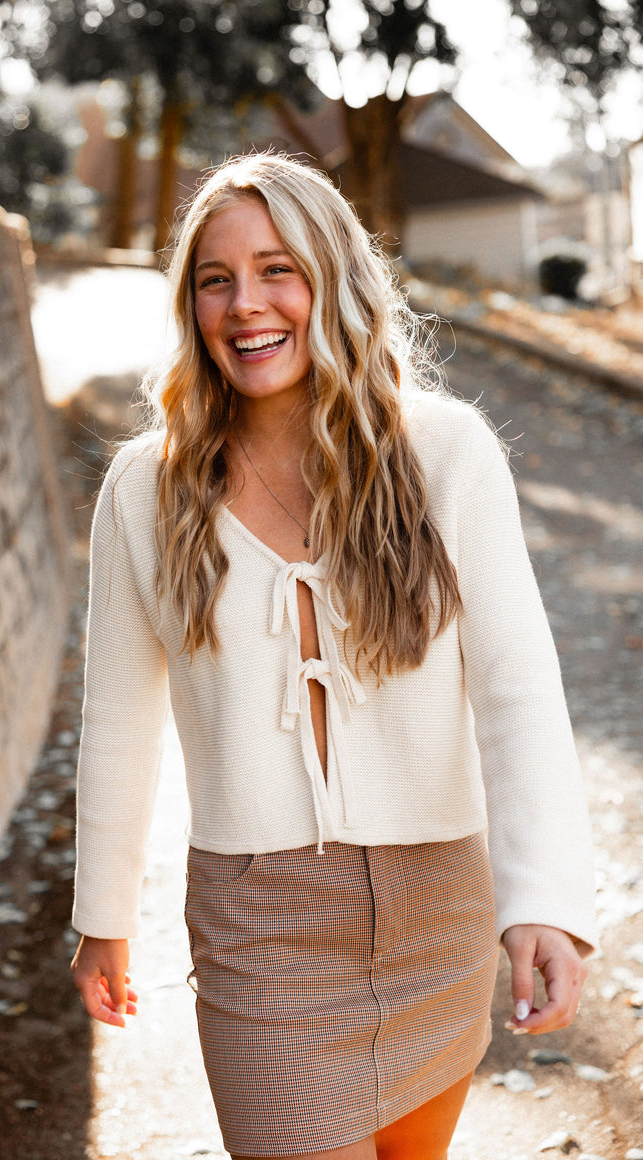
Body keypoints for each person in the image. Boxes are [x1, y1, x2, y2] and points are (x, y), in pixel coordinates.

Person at [70, 153, 596, 1160]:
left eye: (277, 270)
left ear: (334, 281)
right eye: (213, 279)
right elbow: (118, 717)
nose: (243, 304)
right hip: (257, 923)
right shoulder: (145, 489)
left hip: (438, 905)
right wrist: (102, 913)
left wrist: (545, 903)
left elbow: (515, 688)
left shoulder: (445, 453)